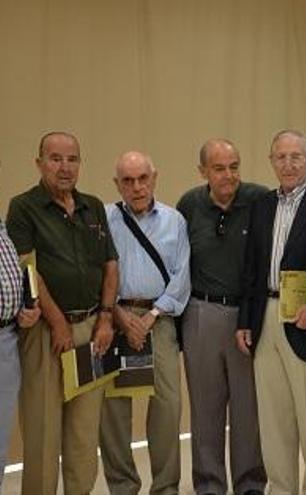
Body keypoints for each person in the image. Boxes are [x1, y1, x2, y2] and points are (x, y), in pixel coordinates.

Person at [6, 131, 118, 494]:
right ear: (39, 163)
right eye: (55, 159)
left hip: (91, 331)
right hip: (46, 336)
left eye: (72, 159)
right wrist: (56, 323)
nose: (64, 167)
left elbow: (110, 264)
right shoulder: (23, 207)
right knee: (42, 431)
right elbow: (29, 269)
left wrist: (104, 318)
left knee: (85, 433)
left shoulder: (94, 206)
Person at [236, 130, 306, 494]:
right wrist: (245, 320)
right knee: (274, 420)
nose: (289, 164)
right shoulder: (261, 205)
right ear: (271, 160)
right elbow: (251, 269)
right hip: (266, 317)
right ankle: (280, 488)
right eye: (281, 157)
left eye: (296, 157)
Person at [177, 138, 268, 494]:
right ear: (203, 172)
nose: (229, 175)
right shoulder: (190, 204)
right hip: (201, 314)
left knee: (248, 412)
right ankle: (209, 485)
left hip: (245, 318)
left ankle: (250, 485)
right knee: (205, 410)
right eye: (219, 168)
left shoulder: (259, 200)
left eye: (234, 166)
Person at [100, 151, 191, 494]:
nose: (137, 187)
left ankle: (166, 487)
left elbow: (182, 276)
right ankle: (122, 486)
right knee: (113, 410)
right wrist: (120, 316)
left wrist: (151, 316)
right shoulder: (104, 218)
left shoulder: (174, 220)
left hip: (160, 319)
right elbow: (98, 271)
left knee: (168, 407)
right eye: (128, 180)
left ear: (155, 178)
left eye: (143, 179)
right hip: (114, 318)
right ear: (117, 184)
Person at [0, 158, 41, 488]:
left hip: (7, 340)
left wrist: (22, 311)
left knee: (0, 435)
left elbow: (15, 279)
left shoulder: (2, 227)